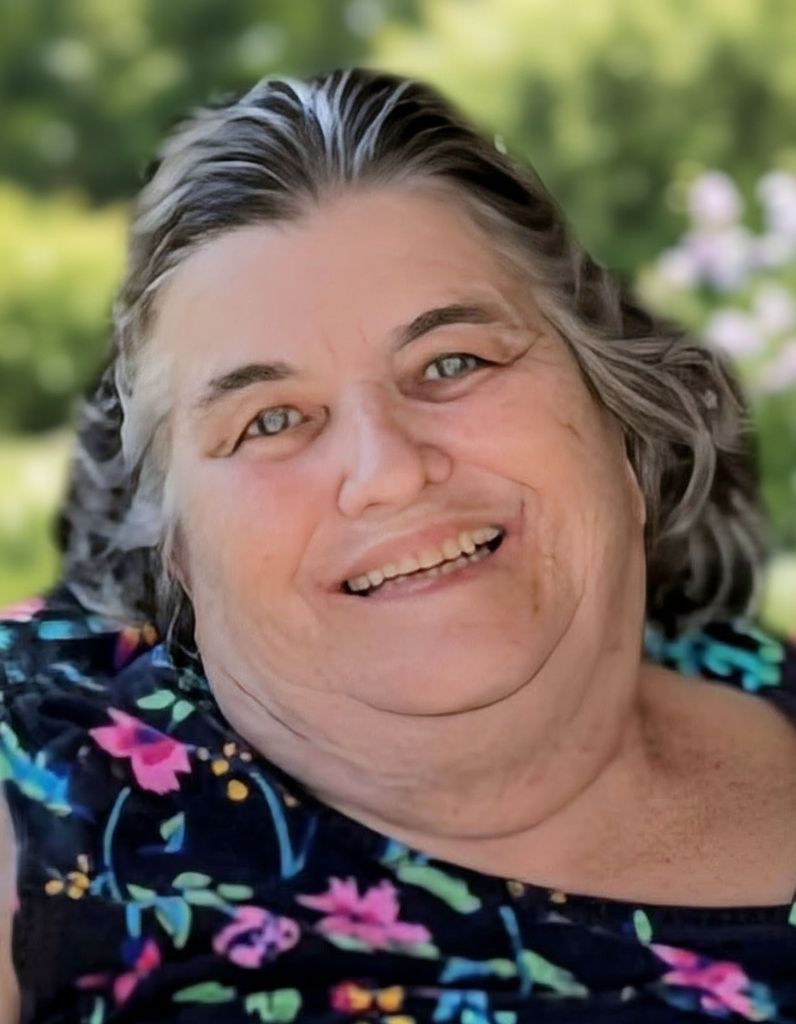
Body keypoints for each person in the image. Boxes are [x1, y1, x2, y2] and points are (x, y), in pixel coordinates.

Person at [1, 66, 795, 1024]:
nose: (388, 470)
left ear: (616, 415)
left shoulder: (757, 677)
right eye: (270, 420)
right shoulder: (41, 767)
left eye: (452, 362)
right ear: (177, 550)